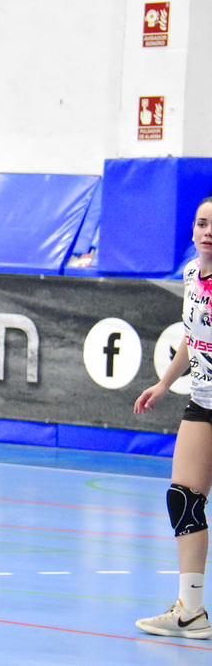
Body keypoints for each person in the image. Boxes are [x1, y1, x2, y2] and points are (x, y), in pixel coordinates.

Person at [134, 196, 212, 640]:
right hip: (202, 401)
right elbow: (192, 335)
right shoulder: (191, 274)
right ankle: (191, 610)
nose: (208, 232)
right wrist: (165, 382)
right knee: (184, 499)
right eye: (202, 223)